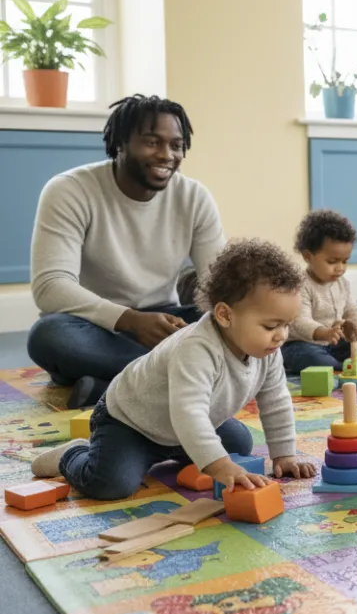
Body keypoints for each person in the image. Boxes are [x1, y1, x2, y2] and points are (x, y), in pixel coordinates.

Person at [31, 239, 318, 500]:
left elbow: (276, 399)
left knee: (239, 443)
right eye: (270, 326)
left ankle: (183, 453)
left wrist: (284, 455)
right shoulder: (196, 348)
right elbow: (188, 412)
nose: (281, 335)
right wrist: (219, 466)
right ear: (225, 315)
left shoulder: (268, 350)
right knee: (110, 485)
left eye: (286, 325)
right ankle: (72, 454)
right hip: (131, 422)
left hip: (181, 428)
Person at [26, 95, 225, 409]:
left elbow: (220, 283)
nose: (166, 155)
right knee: (49, 336)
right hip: (94, 326)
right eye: (152, 142)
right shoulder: (69, 190)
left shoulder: (194, 197)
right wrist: (130, 320)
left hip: (166, 321)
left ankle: (108, 387)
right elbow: (50, 288)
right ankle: (183, 379)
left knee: (233, 320)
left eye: (176, 145)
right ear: (120, 143)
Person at [282, 209, 357, 374]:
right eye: (332, 261)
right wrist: (324, 333)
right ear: (308, 257)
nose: (340, 268)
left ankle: (338, 365)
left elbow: (352, 309)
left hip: (333, 343)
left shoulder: (342, 284)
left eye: (345, 261)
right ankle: (335, 367)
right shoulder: (301, 285)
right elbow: (299, 321)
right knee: (309, 358)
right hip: (303, 343)